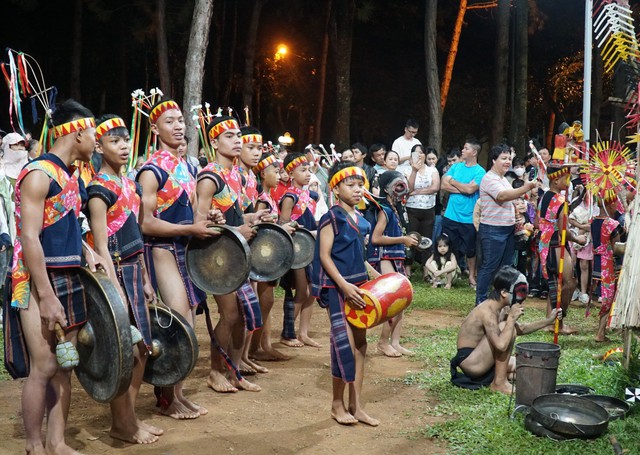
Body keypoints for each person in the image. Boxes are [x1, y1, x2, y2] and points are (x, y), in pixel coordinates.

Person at [4, 99, 108, 454]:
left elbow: (66, 227)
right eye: (93, 132)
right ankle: (34, 445)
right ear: (78, 131)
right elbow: (30, 237)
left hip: (69, 273)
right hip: (35, 280)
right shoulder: (38, 174)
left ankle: (57, 442)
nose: (96, 139)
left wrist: (88, 252)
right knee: (45, 365)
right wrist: (45, 295)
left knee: (66, 363)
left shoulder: (70, 175)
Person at [86, 114, 162, 444]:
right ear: (99, 147)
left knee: (142, 349)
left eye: (126, 139)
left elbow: (137, 236)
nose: (123, 146)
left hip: (133, 270)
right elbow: (100, 245)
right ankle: (122, 423)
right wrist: (115, 291)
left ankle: (128, 418)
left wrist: (145, 278)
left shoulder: (130, 184)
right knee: (124, 352)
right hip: (114, 274)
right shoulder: (98, 190)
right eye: (114, 141)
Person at [136, 99, 215, 418]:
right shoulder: (151, 171)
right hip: (161, 250)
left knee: (189, 322)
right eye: (169, 121)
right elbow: (145, 222)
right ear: (155, 129)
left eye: (180, 120)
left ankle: (176, 394)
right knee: (177, 321)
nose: (179, 126)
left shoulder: (186, 166)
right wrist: (189, 228)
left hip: (184, 250)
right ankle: (167, 397)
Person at [195, 116, 265, 393]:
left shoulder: (235, 174)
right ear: (214, 142)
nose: (237, 140)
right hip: (216, 255)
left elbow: (231, 215)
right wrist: (238, 228)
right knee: (230, 315)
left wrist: (252, 217)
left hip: (236, 250)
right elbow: (200, 224)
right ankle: (215, 371)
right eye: (229, 136)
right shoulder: (210, 177)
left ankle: (234, 371)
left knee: (243, 316)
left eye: (238, 136)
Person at [310, 160, 380, 426]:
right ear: (336, 188)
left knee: (361, 345)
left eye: (360, 184)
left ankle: (356, 405)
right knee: (344, 347)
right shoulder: (332, 217)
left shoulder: (361, 221)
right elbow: (324, 256)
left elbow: (358, 258)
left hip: (358, 289)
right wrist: (343, 286)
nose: (358, 189)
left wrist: (377, 277)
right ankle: (336, 405)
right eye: (350, 185)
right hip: (339, 289)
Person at [450, 266, 562, 394]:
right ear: (504, 292)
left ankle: (502, 377)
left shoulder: (501, 308)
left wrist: (548, 321)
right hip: (471, 362)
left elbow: (521, 329)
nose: (523, 296)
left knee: (528, 368)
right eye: (520, 291)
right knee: (506, 328)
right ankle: (499, 383)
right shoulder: (487, 312)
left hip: (482, 358)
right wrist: (511, 319)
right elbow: (501, 345)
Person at [475, 144, 537, 305]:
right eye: (503, 158)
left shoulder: (503, 179)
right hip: (492, 229)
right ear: (494, 160)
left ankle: (499, 301)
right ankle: (481, 302)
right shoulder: (489, 178)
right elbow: (502, 196)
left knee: (505, 268)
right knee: (489, 267)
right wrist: (526, 187)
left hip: (507, 229)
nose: (507, 161)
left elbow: (509, 199)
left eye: (509, 158)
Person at [366, 170, 418, 357]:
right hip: (384, 257)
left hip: (394, 258)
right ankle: (382, 342)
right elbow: (376, 238)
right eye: (398, 185)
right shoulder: (385, 210)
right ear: (388, 188)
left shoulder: (394, 209)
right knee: (394, 301)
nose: (402, 189)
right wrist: (403, 239)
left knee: (401, 302)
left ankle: (394, 342)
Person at [249, 151, 293, 361]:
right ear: (263, 174)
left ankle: (261, 346)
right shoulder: (262, 200)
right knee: (263, 302)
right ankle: (254, 348)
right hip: (261, 259)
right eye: (275, 172)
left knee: (266, 303)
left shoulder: (268, 197)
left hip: (268, 256)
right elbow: (259, 227)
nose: (279, 175)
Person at [537, 160, 586, 335]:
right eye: (566, 177)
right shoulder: (560, 200)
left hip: (544, 242)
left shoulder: (544, 196)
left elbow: (538, 221)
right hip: (555, 243)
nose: (569, 180)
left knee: (555, 283)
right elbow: (564, 229)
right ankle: (559, 321)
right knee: (569, 282)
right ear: (556, 181)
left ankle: (551, 323)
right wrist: (578, 239)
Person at [278, 152, 320, 347]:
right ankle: (287, 333)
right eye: (302, 170)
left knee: (312, 290)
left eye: (309, 170)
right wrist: (304, 230)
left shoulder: (309, 196)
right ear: (291, 173)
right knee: (301, 291)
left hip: (308, 246)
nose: (307, 173)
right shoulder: (289, 196)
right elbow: (283, 224)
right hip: (296, 249)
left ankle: (303, 333)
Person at [440, 140, 486, 289]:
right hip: (450, 215)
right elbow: (444, 185)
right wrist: (463, 187)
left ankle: (471, 276)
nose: (462, 150)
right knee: (446, 246)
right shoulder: (456, 166)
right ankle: (446, 276)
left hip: (469, 218)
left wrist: (454, 182)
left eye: (466, 148)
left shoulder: (480, 172)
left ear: (474, 152)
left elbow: (471, 190)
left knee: (470, 250)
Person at [591, 194, 623, 342]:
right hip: (607, 263)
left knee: (605, 298)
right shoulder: (612, 224)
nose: (617, 206)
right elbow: (617, 247)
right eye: (616, 203)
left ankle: (601, 332)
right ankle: (600, 333)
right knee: (608, 299)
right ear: (611, 205)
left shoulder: (593, 221)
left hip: (596, 262)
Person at [404, 145, 440, 272]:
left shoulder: (432, 170)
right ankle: (407, 268)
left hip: (428, 209)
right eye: (415, 153)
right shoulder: (407, 170)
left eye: (421, 152)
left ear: (425, 155)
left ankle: (427, 270)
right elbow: (409, 189)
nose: (418, 155)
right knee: (411, 238)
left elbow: (435, 187)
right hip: (411, 209)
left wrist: (417, 192)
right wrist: (414, 170)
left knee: (427, 240)